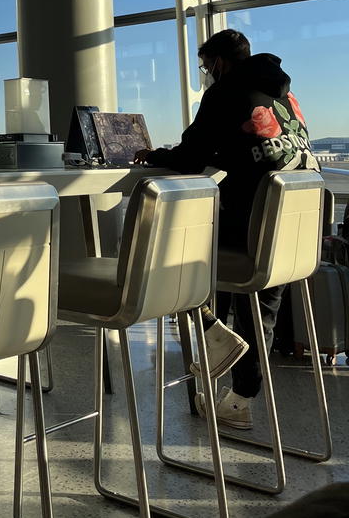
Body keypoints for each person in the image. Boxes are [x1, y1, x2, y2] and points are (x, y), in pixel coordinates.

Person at [134, 29, 320, 429]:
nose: (206, 74)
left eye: (205, 67)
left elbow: (189, 157)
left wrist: (154, 155)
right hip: (296, 231)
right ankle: (239, 400)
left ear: (219, 62)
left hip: (255, 224)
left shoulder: (225, 92)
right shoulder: (284, 95)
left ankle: (212, 332)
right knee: (260, 305)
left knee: (174, 254)